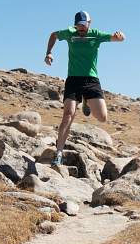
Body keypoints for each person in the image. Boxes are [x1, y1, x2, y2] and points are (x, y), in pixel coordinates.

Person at [44, 10, 125, 165]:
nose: (81, 29)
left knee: (102, 117)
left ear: (89, 23)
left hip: (91, 80)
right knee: (68, 114)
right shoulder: (70, 33)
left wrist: (120, 36)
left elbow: (116, 38)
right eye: (78, 26)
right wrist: (49, 53)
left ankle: (86, 101)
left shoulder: (96, 34)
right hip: (73, 80)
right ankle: (58, 154)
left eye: (84, 25)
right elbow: (53, 35)